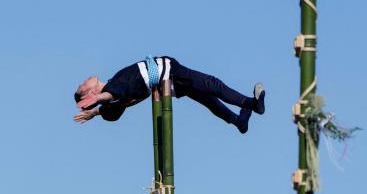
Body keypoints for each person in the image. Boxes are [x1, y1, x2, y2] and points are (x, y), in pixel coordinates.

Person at [73, 56, 265, 134]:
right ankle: (251, 104)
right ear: (91, 92)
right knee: (211, 85)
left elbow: (113, 104)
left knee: (208, 98)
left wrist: (96, 111)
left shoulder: (114, 88)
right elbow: (113, 96)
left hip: (168, 81)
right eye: (83, 85)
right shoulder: (115, 87)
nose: (84, 79)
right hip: (169, 73)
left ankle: (239, 121)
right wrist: (99, 100)